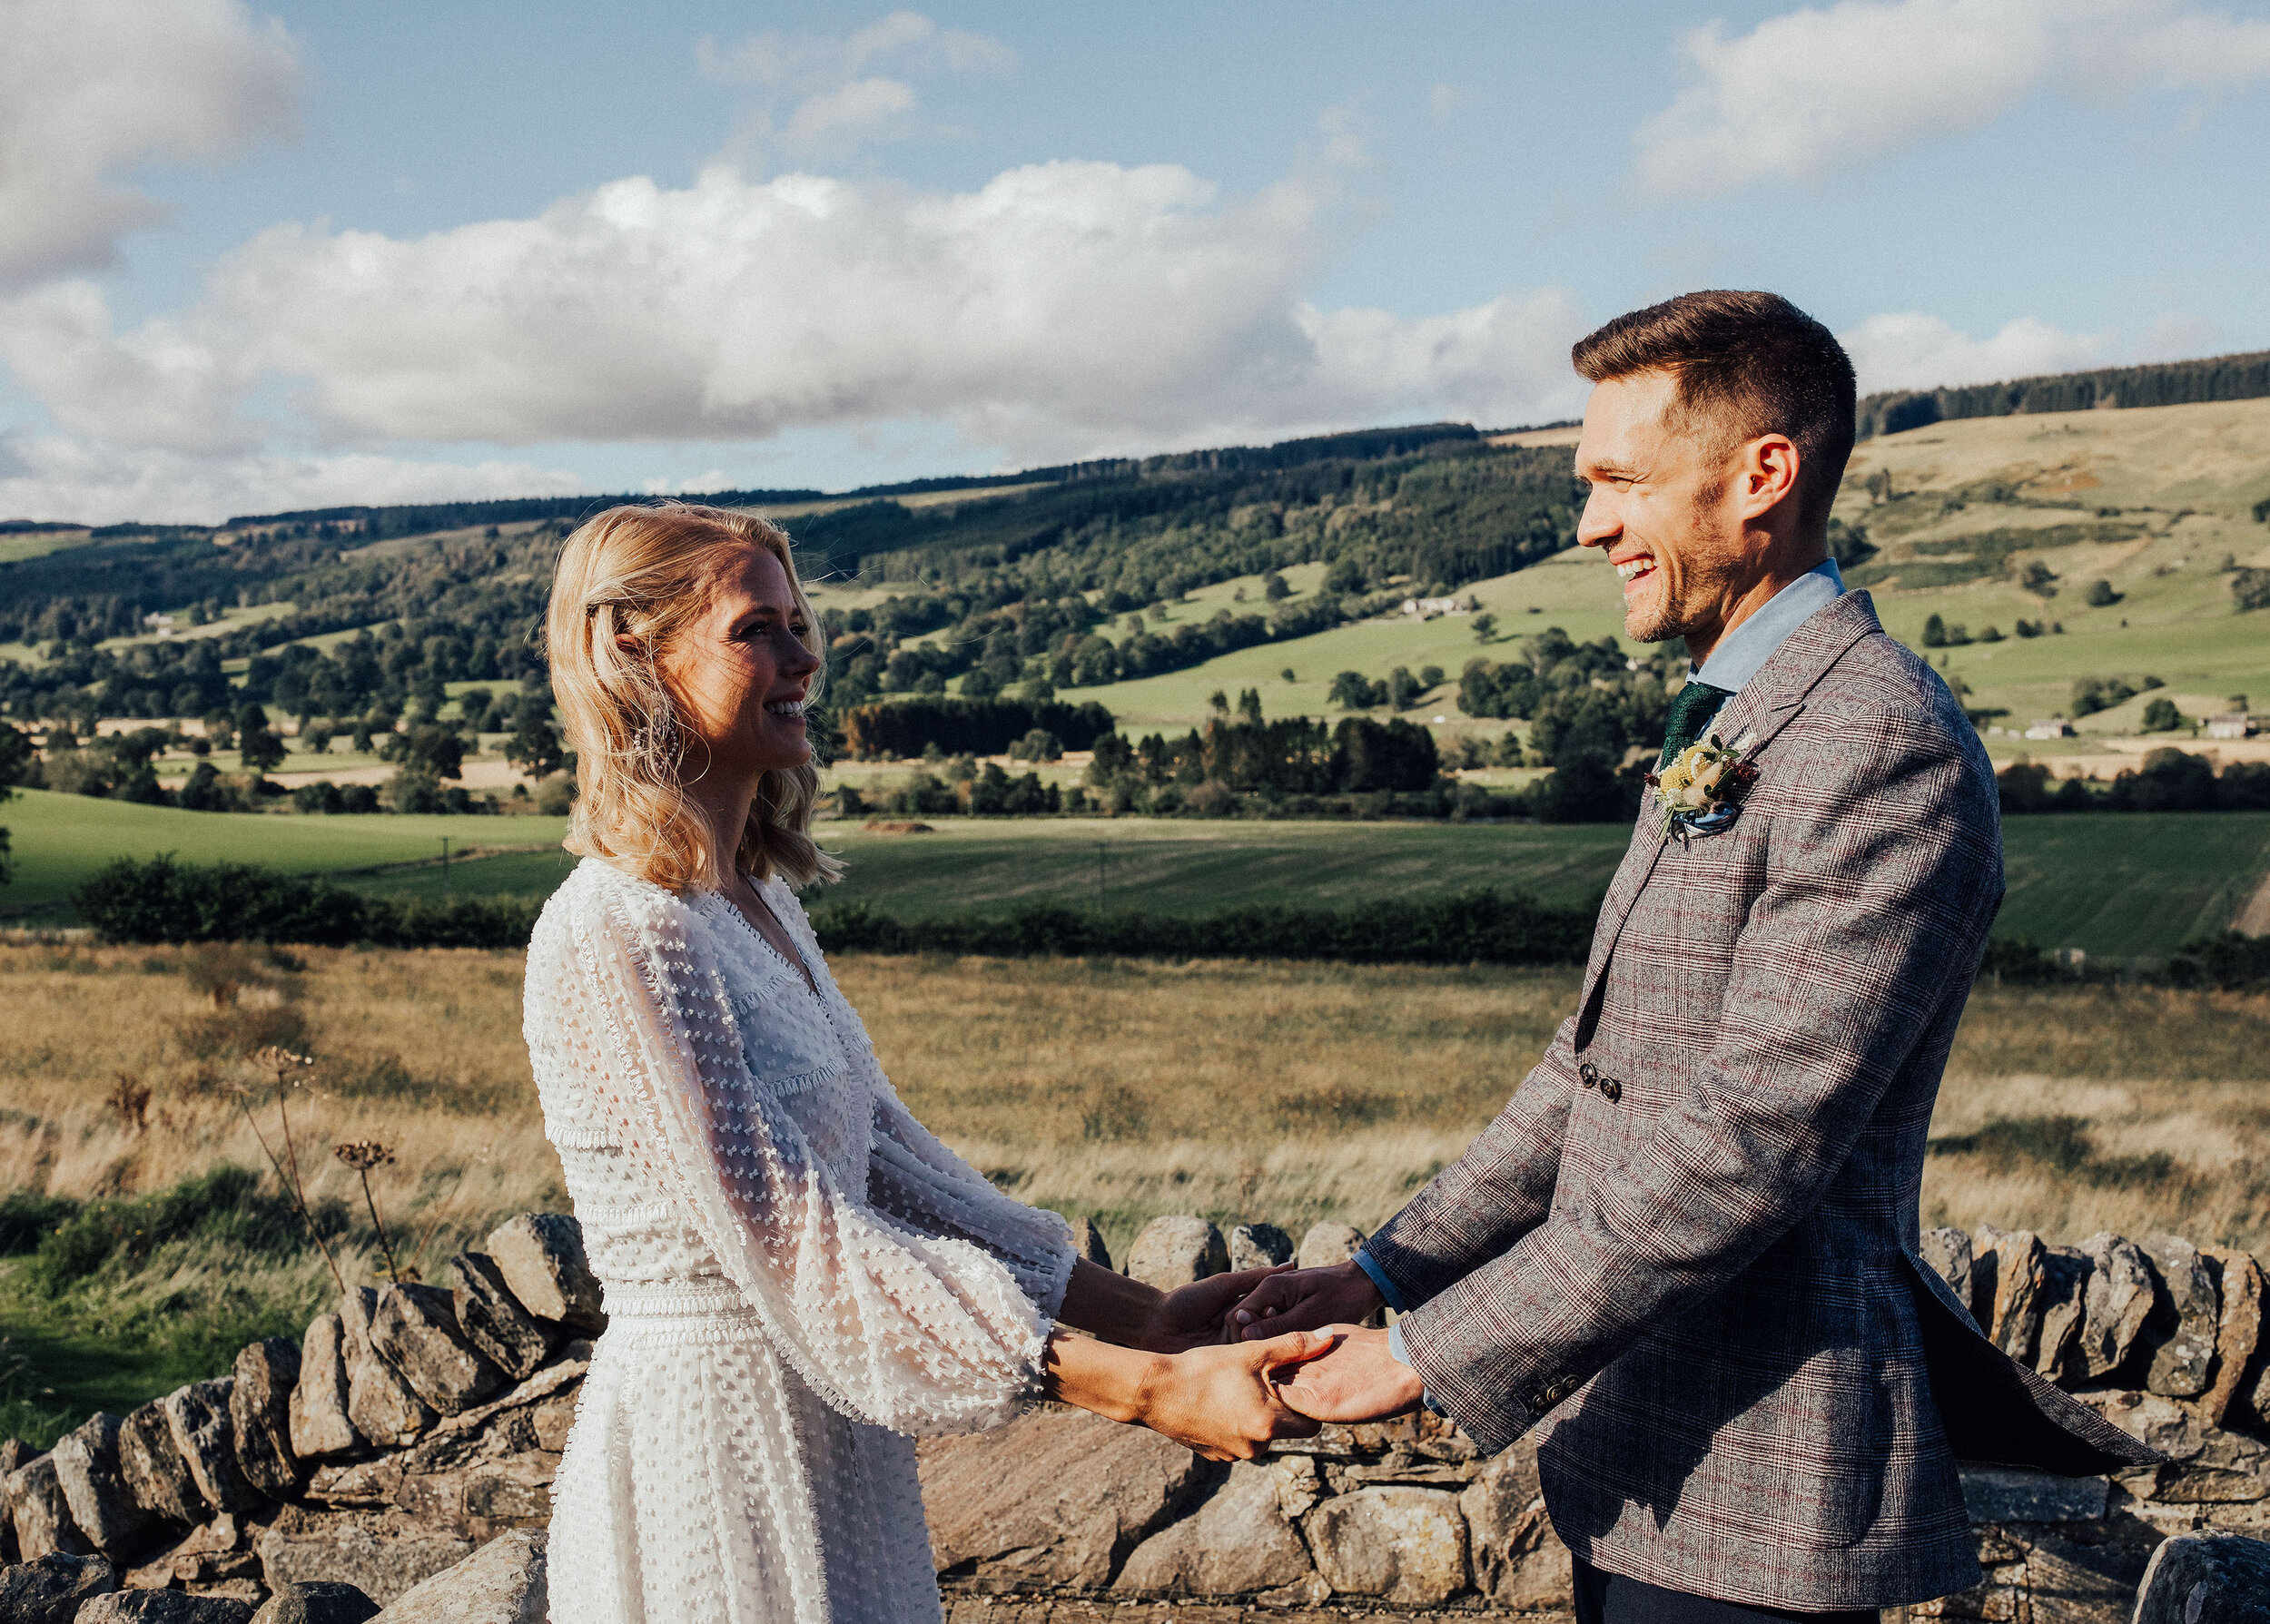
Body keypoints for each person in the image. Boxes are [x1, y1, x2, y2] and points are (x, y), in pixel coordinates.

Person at [1231, 291, 2156, 1623]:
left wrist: (1428, 1354)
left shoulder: (1879, 742)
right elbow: (1593, 1070)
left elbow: (1751, 1142)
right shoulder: (1740, 718)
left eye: (1621, 480)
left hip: (1766, 1478)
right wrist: (1382, 1271)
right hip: (1641, 1447)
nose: (1591, 523)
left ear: (1762, 475)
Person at [523, 502, 1326, 1624]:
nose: (805, 655)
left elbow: (900, 1174)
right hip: (717, 1443)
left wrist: (1145, 1315)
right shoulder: (622, 927)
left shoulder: (756, 904)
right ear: (634, 660)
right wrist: (1138, 1388)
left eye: (801, 622)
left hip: (834, 1435)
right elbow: (800, 1242)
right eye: (759, 629)